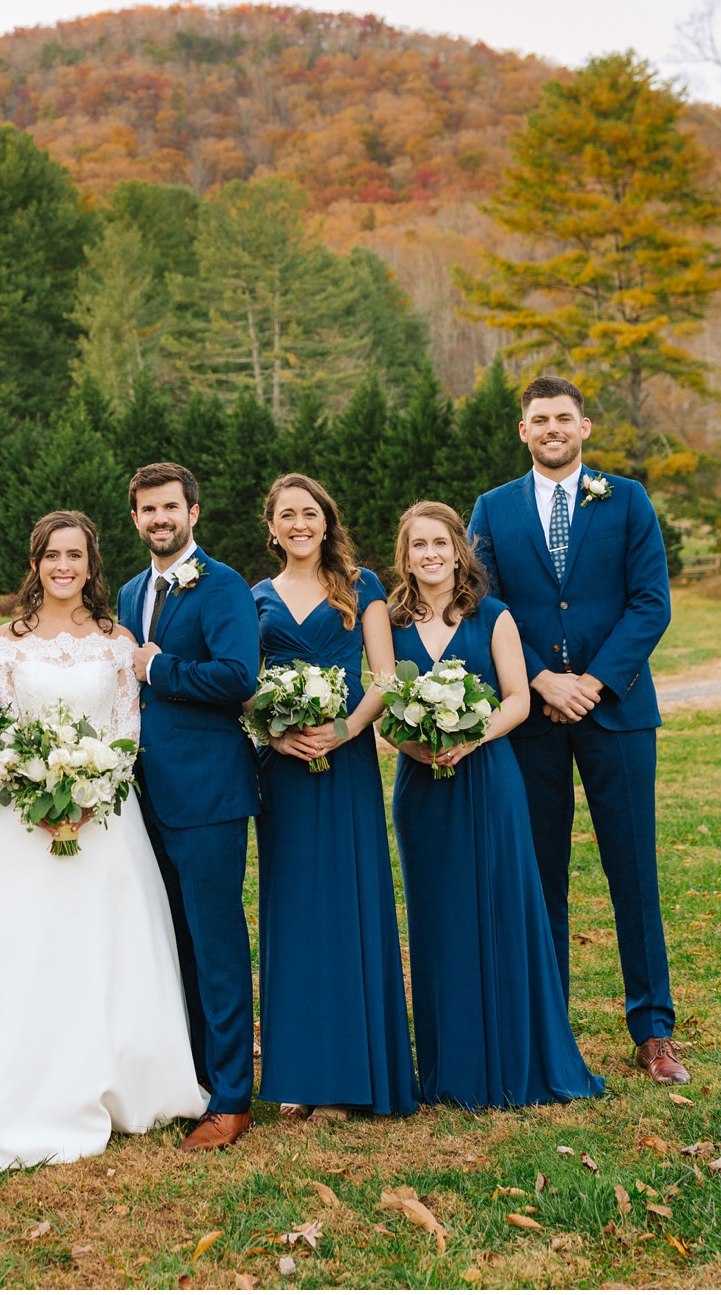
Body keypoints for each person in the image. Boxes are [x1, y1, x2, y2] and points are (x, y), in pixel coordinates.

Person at [0, 511, 207, 1169]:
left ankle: (128, 1081)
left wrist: (93, 790)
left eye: (75, 555)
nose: (63, 567)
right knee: (21, 948)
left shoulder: (116, 641)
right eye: (52, 555)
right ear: (36, 563)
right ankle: (12, 1083)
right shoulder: (7, 644)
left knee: (110, 946)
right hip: (23, 816)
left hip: (105, 816)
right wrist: (35, 793)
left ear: (90, 563)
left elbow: (126, 731)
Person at [467, 376, 683, 1083]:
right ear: (522, 431)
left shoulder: (626, 500)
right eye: (539, 419)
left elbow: (651, 602)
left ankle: (652, 1030)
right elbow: (482, 604)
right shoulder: (493, 510)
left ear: (584, 427)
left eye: (564, 417)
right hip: (531, 717)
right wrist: (539, 679)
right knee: (540, 874)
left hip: (616, 712)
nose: (553, 427)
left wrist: (591, 682)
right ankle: (548, 1024)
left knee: (634, 872)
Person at [385, 502, 604, 1110]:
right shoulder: (393, 624)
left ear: (459, 550)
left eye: (439, 543)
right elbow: (382, 710)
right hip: (422, 787)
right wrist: (420, 747)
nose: (429, 554)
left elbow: (517, 700)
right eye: (417, 545)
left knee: (502, 906)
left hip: (488, 779)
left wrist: (469, 736)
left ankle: (515, 1056)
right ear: (404, 557)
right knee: (439, 918)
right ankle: (449, 1067)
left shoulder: (495, 616)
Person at [251, 473, 417, 1121]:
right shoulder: (257, 596)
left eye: (309, 513)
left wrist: (347, 728)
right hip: (285, 768)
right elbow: (247, 681)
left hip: (345, 765)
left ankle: (349, 1077)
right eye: (286, 514)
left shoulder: (362, 586)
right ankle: (299, 1073)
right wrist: (274, 730)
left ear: (327, 520)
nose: (299, 523)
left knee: (346, 906)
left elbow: (386, 676)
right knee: (291, 913)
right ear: (271, 527)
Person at [116, 463, 261, 1152]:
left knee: (216, 944)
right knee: (169, 944)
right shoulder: (128, 591)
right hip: (140, 795)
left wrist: (158, 669)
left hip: (206, 794)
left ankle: (232, 1096)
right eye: (147, 510)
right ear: (137, 518)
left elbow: (238, 677)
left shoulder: (225, 584)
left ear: (193, 512)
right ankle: (192, 1079)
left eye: (169, 507)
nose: (159, 519)